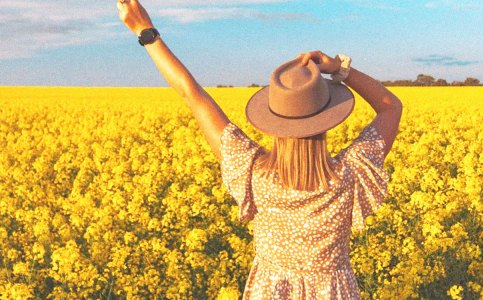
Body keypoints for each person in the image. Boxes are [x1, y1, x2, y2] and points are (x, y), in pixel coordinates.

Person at [117, 0, 403, 298]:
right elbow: (390, 107)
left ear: (273, 119)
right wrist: (339, 69)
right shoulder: (349, 175)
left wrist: (145, 31)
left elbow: (193, 95)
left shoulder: (253, 172)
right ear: (327, 118)